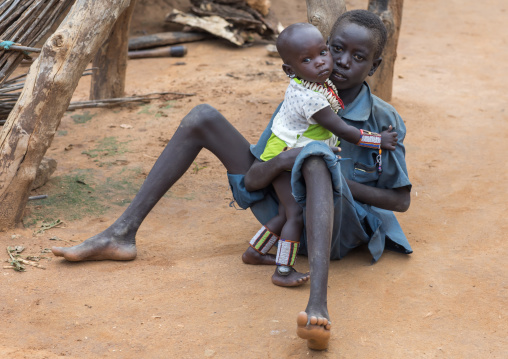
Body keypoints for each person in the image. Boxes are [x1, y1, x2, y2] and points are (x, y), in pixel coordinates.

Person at [51, 9, 412, 351]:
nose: (342, 61)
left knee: (315, 158)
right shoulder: (302, 98)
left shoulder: (383, 120)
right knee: (202, 117)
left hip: (337, 231)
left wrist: (326, 176)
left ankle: (317, 304)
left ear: (374, 66)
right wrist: (287, 160)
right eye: (336, 49)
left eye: (358, 56)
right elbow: (256, 180)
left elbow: (400, 202)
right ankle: (121, 233)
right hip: (285, 213)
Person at [242, 22, 397, 287]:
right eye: (307, 59)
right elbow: (346, 131)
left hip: (284, 150)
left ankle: (254, 252)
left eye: (323, 52)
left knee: (284, 211)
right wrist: (378, 140)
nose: (322, 63)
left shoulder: (313, 84)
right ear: (290, 70)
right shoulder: (311, 98)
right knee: (295, 214)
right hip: (282, 157)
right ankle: (282, 270)